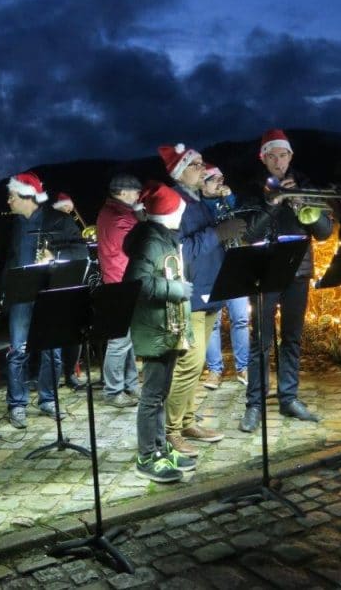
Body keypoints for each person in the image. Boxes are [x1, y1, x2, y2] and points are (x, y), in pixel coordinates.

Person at [239, 129, 332, 432]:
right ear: (262, 158)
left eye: (282, 155)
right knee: (260, 341)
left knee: (292, 338)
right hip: (264, 271)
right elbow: (248, 233)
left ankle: (289, 397)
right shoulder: (253, 189)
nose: (277, 161)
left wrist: (301, 201)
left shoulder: (304, 185)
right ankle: (255, 403)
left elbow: (324, 232)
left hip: (298, 270)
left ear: (291, 156)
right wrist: (272, 203)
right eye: (271, 155)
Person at [157, 144, 245, 457]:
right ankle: (169, 431)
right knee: (188, 366)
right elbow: (180, 250)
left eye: (199, 162)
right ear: (180, 172)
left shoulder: (199, 200)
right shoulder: (173, 203)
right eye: (193, 164)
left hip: (211, 288)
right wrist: (220, 233)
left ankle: (188, 421)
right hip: (191, 294)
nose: (201, 167)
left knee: (195, 368)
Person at [123, 182, 197, 482]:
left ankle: (160, 448)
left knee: (161, 394)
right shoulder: (152, 242)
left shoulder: (162, 237)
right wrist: (175, 288)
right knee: (152, 396)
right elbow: (136, 283)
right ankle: (147, 456)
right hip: (154, 329)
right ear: (170, 213)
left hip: (165, 329)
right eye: (180, 208)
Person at [3, 171, 86, 428]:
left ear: (28, 197)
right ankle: (17, 404)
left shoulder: (59, 220)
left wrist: (54, 253)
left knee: (53, 351)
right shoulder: (11, 225)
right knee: (18, 350)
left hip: (51, 293)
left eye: (12, 196)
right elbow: (4, 260)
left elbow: (80, 249)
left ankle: (47, 399)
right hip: (21, 296)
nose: (8, 201)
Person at [199, 163, 250, 389]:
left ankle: (243, 367)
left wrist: (229, 200)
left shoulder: (229, 200)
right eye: (214, 179)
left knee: (240, 318)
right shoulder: (197, 207)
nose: (221, 182)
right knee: (213, 322)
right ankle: (215, 370)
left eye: (222, 177)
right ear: (202, 183)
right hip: (210, 269)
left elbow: (241, 220)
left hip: (236, 265)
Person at [96, 173, 143, 407]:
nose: (138, 196)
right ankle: (113, 390)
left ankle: (131, 384)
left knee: (127, 339)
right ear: (123, 193)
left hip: (119, 281)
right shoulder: (118, 217)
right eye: (135, 192)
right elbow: (137, 246)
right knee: (119, 341)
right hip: (120, 283)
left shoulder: (114, 211)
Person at [52, 192, 88, 391]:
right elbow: (80, 250)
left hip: (66, 282)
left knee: (69, 334)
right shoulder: (63, 222)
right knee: (70, 333)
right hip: (63, 283)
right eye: (68, 208)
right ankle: (65, 374)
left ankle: (64, 374)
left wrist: (56, 254)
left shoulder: (67, 223)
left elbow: (79, 250)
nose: (71, 211)